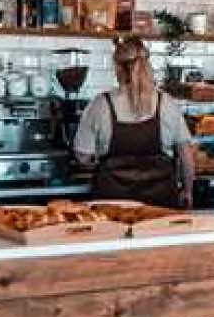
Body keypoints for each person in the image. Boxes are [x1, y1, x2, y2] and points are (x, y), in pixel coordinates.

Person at [72, 37, 196, 208]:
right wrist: (188, 190)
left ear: (117, 67)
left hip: (112, 206)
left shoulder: (100, 104)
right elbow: (187, 157)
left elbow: (82, 156)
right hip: (160, 205)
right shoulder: (166, 102)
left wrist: (97, 157)